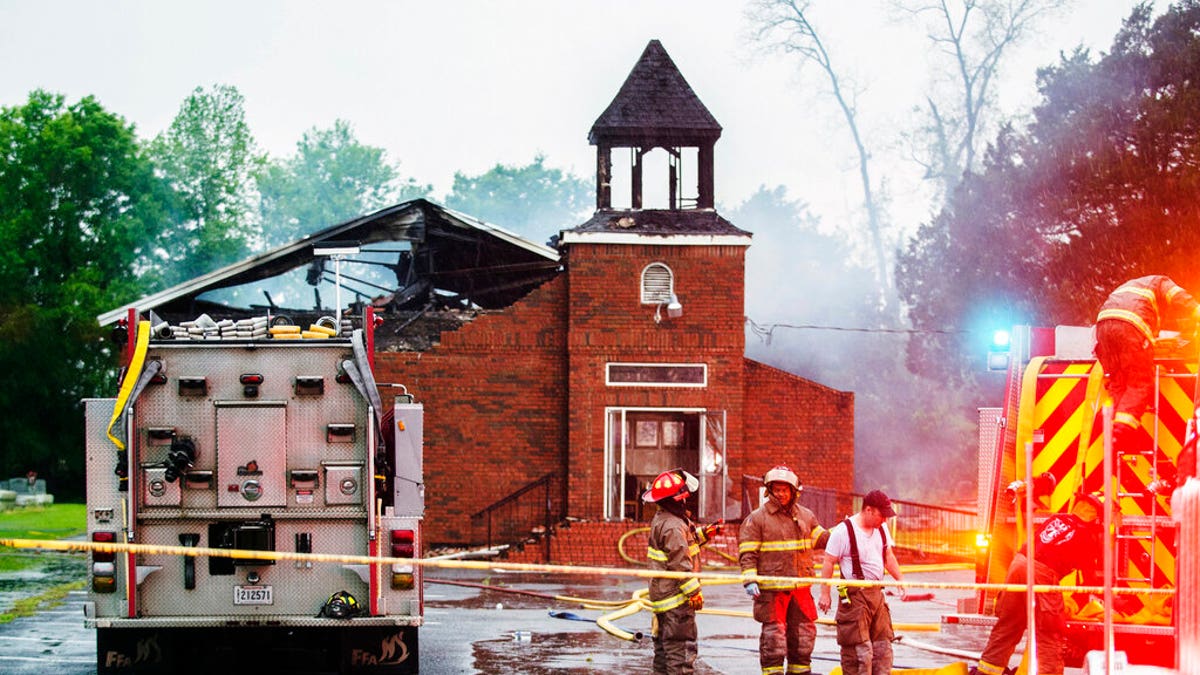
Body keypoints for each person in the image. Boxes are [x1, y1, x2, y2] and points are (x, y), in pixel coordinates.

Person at [971, 493, 1105, 675]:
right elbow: (1090, 577)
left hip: (1018, 564)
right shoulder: (1086, 534)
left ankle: (986, 673)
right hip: (1042, 572)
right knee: (1049, 633)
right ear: (1094, 515)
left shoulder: (1058, 519)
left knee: (1008, 626)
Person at [1094, 275, 1200, 492]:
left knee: (1118, 385)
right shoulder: (1160, 282)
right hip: (1131, 327)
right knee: (1139, 383)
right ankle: (1119, 435)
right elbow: (1178, 297)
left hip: (1103, 327)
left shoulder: (1132, 287)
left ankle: (1109, 428)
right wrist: (1196, 310)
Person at [738, 465, 829, 675]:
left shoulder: (806, 516)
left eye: (784, 490)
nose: (780, 494)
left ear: (794, 491)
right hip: (772, 591)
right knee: (774, 639)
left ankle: (800, 672)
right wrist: (750, 580)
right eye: (776, 490)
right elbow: (747, 554)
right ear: (769, 491)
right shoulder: (757, 519)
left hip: (800, 588)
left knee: (804, 638)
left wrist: (843, 534)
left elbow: (821, 539)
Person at [817, 490, 904, 675]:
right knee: (860, 654)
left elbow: (888, 556)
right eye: (882, 515)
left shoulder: (881, 529)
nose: (884, 520)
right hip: (854, 598)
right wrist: (824, 594)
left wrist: (900, 580)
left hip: (876, 596)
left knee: (883, 650)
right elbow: (828, 562)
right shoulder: (843, 531)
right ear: (869, 510)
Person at [643, 467, 720, 675]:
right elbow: (680, 561)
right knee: (680, 654)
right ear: (678, 498)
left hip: (662, 599)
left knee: (663, 653)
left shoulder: (666, 520)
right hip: (676, 601)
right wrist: (693, 591)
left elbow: (681, 546)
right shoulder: (674, 526)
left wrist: (704, 534)